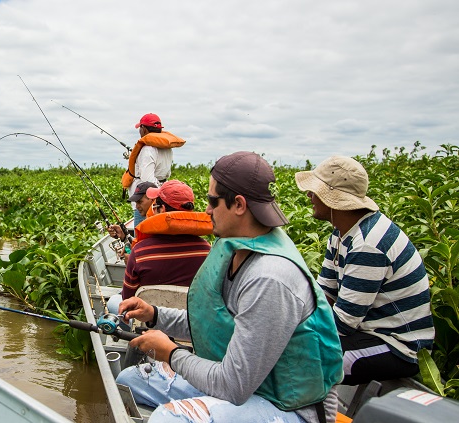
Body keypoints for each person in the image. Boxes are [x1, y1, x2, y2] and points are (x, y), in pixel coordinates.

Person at [116, 151, 343, 423]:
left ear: (238, 204)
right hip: (248, 386)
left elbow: (233, 385)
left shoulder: (269, 277)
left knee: (169, 419)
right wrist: (155, 315)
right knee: (129, 379)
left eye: (213, 201)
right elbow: (213, 324)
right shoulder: (236, 248)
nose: (207, 210)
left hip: (287, 406)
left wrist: (172, 354)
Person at [295, 155, 434, 386]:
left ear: (334, 200)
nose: (310, 196)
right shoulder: (340, 233)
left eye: (315, 191)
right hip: (368, 332)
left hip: (397, 345)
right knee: (293, 347)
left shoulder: (368, 244)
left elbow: (343, 324)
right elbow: (324, 294)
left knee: (303, 362)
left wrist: (293, 333)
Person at [106, 180, 211, 315]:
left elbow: (127, 299)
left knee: (114, 301)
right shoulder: (207, 250)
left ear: (161, 210)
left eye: (155, 205)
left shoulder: (140, 253)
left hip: (148, 324)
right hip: (191, 323)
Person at [121, 113, 185, 226]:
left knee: (141, 236)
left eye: (140, 128)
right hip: (158, 198)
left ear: (144, 129)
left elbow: (147, 181)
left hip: (145, 202)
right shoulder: (166, 148)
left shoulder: (147, 150)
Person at [107, 181, 157, 245]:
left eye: (140, 202)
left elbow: (142, 249)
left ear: (153, 199)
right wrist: (123, 236)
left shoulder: (156, 226)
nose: (137, 206)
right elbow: (140, 245)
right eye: (136, 203)